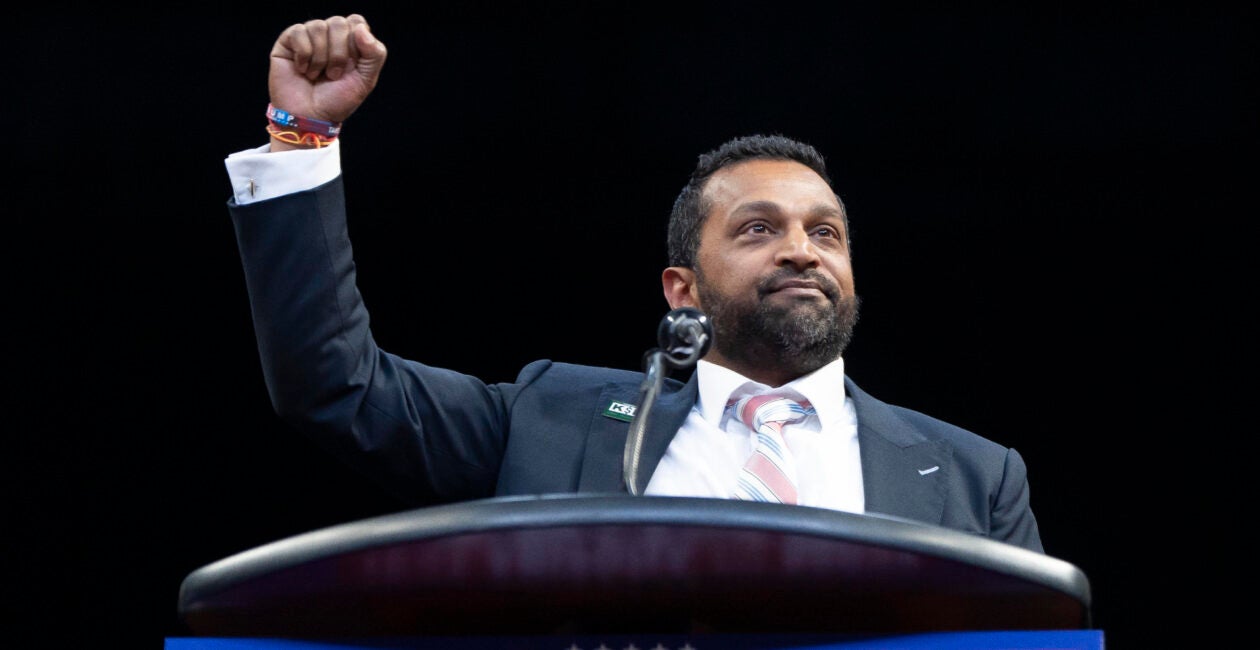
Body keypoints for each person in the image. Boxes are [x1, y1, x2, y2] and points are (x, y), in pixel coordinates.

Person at [224, 14, 1044, 553]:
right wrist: (303, 137)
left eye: (824, 232)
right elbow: (335, 382)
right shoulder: (548, 420)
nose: (801, 251)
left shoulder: (975, 477)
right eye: (758, 229)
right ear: (681, 290)